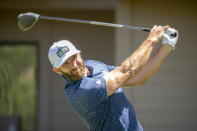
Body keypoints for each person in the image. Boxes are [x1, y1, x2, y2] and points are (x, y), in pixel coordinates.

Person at [48, 25, 178, 131]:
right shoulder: (80, 93)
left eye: (74, 57)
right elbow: (126, 71)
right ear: (57, 70)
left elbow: (138, 77)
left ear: (79, 53)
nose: (74, 65)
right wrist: (151, 40)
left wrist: (168, 43)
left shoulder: (92, 65)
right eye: (66, 63)